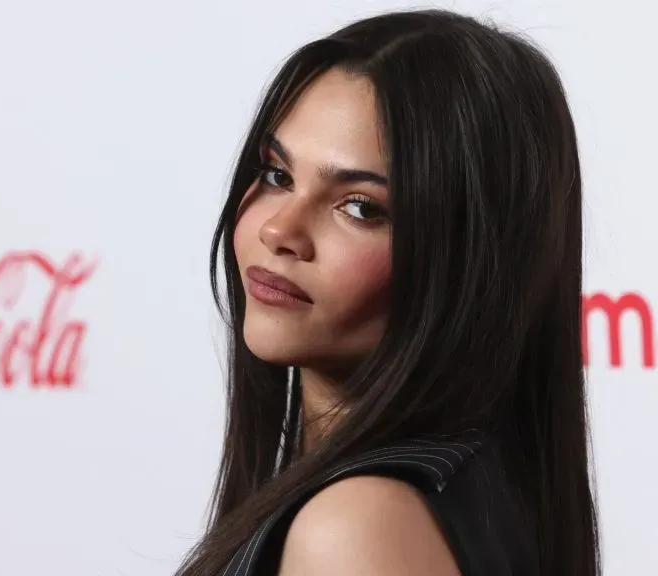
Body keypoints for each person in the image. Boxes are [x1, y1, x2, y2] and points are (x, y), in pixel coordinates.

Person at [176, 8, 600, 576]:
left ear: (468, 261)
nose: (280, 231)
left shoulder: (357, 528)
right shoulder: (471, 489)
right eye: (278, 174)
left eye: (360, 208)